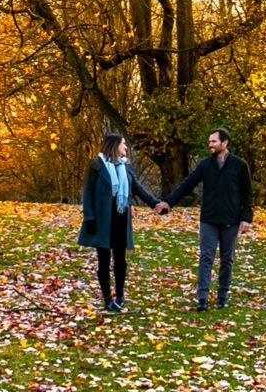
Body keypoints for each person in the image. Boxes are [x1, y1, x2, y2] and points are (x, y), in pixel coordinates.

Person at [159, 126, 254, 310]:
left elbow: (247, 193)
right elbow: (187, 184)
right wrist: (168, 202)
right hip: (209, 218)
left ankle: (222, 295)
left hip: (231, 219)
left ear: (224, 143)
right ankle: (202, 297)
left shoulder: (239, 165)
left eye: (213, 141)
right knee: (206, 257)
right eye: (209, 141)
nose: (210, 145)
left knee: (227, 259)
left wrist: (246, 218)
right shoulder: (205, 165)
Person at [78, 131, 161, 314]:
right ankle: (107, 299)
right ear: (115, 146)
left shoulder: (126, 168)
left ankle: (120, 296)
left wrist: (154, 203)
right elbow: (88, 194)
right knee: (104, 260)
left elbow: (138, 189)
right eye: (123, 144)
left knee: (120, 260)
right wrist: (89, 217)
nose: (126, 147)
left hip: (121, 218)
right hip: (102, 220)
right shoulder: (96, 166)